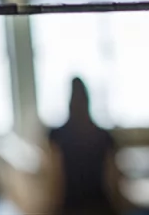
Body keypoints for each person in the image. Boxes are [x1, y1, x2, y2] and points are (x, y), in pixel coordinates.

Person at [44, 77, 127, 215]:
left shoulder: (57, 136)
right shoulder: (104, 136)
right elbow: (113, 180)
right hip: (100, 206)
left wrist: (51, 208)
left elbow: (55, 178)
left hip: (71, 208)